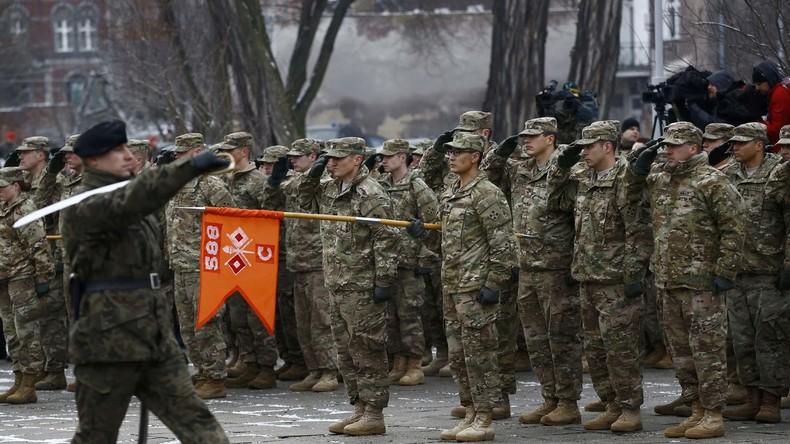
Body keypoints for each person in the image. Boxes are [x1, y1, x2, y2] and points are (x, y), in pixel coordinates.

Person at [60, 120, 230, 442]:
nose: (128, 156)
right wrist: (188, 167)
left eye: (128, 149)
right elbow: (137, 199)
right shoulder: (87, 205)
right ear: (94, 161)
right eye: (118, 151)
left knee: (200, 426)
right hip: (108, 340)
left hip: (153, 337)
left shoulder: (128, 195)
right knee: (97, 435)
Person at [626, 121, 745, 439]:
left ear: (693, 148)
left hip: (702, 283)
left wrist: (725, 271)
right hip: (667, 280)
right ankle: (695, 409)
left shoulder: (711, 181)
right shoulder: (660, 178)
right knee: (681, 353)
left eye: (674, 145)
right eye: (665, 145)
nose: (667, 150)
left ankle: (714, 414)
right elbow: (628, 197)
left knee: (707, 351)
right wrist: (636, 170)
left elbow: (734, 227)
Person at [408, 132, 516, 442]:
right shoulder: (451, 192)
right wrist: (422, 234)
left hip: (476, 288)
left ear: (476, 157)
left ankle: (485, 416)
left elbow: (502, 243)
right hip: (453, 285)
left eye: (460, 152)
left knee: (480, 354)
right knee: (458, 356)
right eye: (450, 152)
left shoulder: (487, 193)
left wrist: (494, 283)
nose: (451, 156)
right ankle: (469, 410)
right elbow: (443, 243)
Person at [547, 120, 651, 433]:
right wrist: (559, 169)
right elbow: (556, 203)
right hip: (587, 276)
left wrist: (634, 272)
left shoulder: (626, 178)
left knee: (621, 348)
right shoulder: (581, 176)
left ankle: (630, 408)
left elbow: (638, 229)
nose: (583, 152)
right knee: (595, 349)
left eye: (588, 146)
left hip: (616, 279)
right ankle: (611, 404)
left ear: (607, 146)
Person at [482, 117, 583, 427]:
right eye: (523, 136)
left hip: (555, 265)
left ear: (550, 138)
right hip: (526, 264)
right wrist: (499, 154)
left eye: (532, 136)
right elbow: (487, 177)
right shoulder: (520, 169)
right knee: (537, 339)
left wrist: (574, 263)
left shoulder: (568, 167)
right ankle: (549, 398)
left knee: (560, 337)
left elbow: (575, 213)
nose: (525, 141)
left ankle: (568, 401)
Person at [298, 136, 400, 436]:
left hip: (363, 285)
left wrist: (383, 281)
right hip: (337, 282)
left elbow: (388, 238)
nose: (330, 163)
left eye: (337, 158)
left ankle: (374, 412)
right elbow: (303, 198)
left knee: (367, 348)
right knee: (345, 351)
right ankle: (358, 407)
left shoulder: (371, 193)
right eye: (327, 158)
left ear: (357, 159)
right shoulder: (330, 188)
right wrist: (314, 172)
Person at [721, 122, 789, 424]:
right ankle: (752, 398)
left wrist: (788, 265)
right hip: (737, 273)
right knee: (742, 340)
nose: (734, 147)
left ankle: (773, 400)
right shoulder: (727, 175)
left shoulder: (779, 174)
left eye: (740, 142)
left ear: (759, 144)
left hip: (769, 272)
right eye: (732, 143)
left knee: (770, 339)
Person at [264, 138, 339, 393]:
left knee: (321, 320)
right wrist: (274, 181)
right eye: (291, 156)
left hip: (317, 260)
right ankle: (314, 369)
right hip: (298, 261)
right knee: (303, 322)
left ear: (313, 156)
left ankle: (329, 371)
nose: (292, 160)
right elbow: (270, 204)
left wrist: (316, 172)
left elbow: (310, 191)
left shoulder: (325, 183)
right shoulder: (293, 182)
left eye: (298, 156)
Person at [165, 132, 235, 399]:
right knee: (187, 325)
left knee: (206, 322)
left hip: (204, 265)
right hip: (181, 264)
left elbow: (230, 221)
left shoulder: (210, 185)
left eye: (180, 154)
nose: (175, 158)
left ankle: (215, 377)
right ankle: (203, 372)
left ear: (195, 153)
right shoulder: (178, 183)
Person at [378, 138, 439, 387]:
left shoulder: (417, 186)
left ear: (403, 158)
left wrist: (425, 253)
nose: (383, 160)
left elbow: (434, 225)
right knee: (390, 317)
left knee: (410, 315)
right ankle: (399, 361)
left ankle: (415, 363)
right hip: (387, 261)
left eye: (388, 156)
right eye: (382, 156)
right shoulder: (381, 185)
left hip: (409, 261)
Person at [18, 136, 69, 392]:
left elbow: (45, 214)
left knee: (52, 315)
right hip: (35, 253)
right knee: (41, 315)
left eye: (25, 152)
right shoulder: (26, 182)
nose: (20, 157)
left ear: (41, 155)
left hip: (53, 252)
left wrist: (57, 258)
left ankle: (55, 369)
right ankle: (48, 366)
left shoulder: (56, 182)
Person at [0, 167, 53, 404]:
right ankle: (18, 379)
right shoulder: (3, 209)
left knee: (26, 330)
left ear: (16, 186)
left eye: (2, 187)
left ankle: (29, 384)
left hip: (22, 278)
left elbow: (40, 247)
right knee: (10, 331)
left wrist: (43, 278)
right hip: (4, 278)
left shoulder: (25, 209)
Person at [256, 144, 308, 383]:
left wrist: (277, 182)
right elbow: (268, 207)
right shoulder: (275, 183)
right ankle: (290, 357)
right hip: (274, 251)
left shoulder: (295, 182)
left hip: (293, 252)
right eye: (264, 163)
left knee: (291, 310)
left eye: (272, 164)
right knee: (278, 310)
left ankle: (300, 359)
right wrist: (273, 182)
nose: (266, 167)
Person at [753, 60, 790, 144]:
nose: (757, 88)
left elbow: (778, 131)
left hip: (782, 148)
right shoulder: (776, 92)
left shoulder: (780, 94)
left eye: (759, 84)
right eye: (755, 85)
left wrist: (755, 123)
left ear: (769, 80)